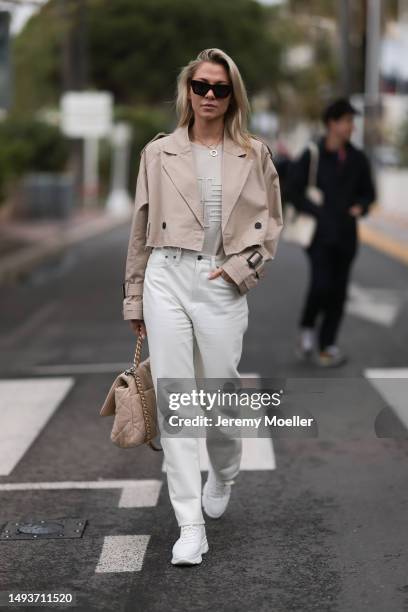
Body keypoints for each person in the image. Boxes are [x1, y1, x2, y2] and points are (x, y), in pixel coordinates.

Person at [121, 48, 283, 565]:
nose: (209, 96)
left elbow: (272, 224)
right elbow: (141, 226)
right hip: (166, 276)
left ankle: (225, 471)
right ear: (187, 91)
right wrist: (134, 296)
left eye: (220, 88)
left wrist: (239, 270)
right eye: (200, 86)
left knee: (220, 395)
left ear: (233, 94)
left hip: (220, 280)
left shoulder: (253, 153)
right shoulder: (159, 151)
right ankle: (189, 525)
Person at [286, 98, 376, 367]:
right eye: (347, 121)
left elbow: (369, 193)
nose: (352, 127)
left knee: (338, 293)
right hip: (318, 238)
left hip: (347, 237)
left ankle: (327, 345)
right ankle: (306, 330)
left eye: (352, 121)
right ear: (332, 124)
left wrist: (361, 206)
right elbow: (292, 190)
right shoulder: (312, 154)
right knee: (321, 285)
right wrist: (318, 211)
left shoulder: (358, 159)